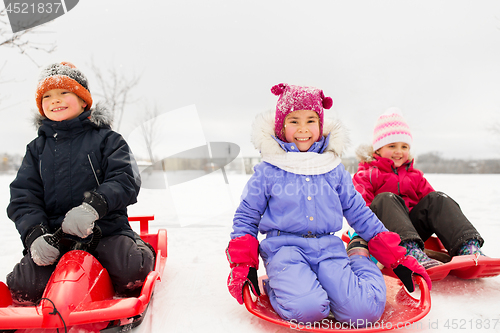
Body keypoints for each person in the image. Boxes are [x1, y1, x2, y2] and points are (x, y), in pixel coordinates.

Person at [225, 84, 431, 325]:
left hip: (328, 250)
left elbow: (360, 213)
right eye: (294, 121)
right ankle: (279, 287)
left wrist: (398, 258)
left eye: (311, 120)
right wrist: (243, 263)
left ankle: (359, 258)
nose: (303, 129)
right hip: (285, 251)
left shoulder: (332, 169)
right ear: (281, 126)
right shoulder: (269, 171)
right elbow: (246, 218)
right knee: (308, 311)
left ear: (320, 126)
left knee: (363, 313)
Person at [6, 62, 155, 304]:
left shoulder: (108, 140)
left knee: (132, 273)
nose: (55, 100)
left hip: (106, 230)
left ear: (84, 100)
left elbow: (125, 178)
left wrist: (94, 207)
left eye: (64, 92)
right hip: (57, 238)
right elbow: (24, 197)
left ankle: (140, 248)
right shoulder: (37, 150)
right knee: (24, 288)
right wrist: (35, 235)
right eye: (47, 96)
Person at [352, 107, 485, 269]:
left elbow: (435, 211)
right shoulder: (367, 175)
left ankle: (468, 247)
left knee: (437, 199)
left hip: (414, 234)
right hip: (383, 234)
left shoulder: (415, 176)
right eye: (392, 146)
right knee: (386, 198)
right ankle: (407, 252)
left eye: (404, 146)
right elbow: (358, 210)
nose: (399, 152)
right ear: (378, 149)